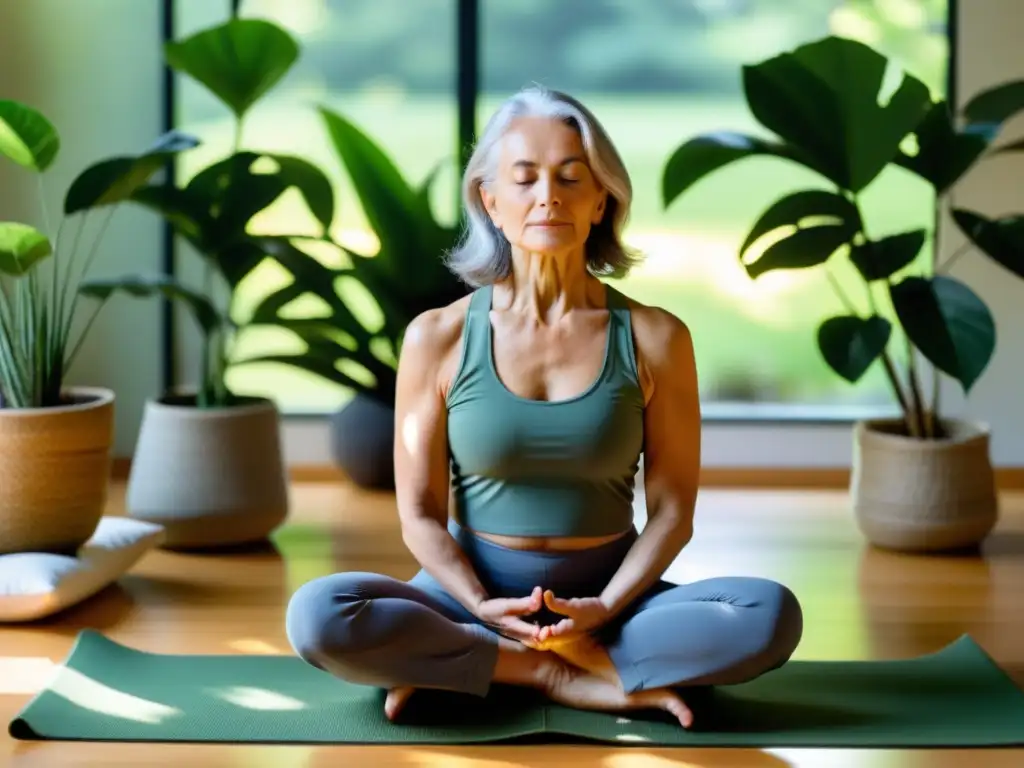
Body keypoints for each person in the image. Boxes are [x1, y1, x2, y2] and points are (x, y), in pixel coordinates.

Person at [285, 86, 803, 729]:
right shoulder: (437, 337)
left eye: (570, 177)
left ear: (601, 199)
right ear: (490, 202)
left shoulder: (656, 338)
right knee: (318, 615)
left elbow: (673, 512)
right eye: (524, 179)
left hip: (610, 603)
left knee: (768, 615)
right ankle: (552, 670)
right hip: (464, 599)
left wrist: (606, 607)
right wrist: (478, 603)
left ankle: (486, 665)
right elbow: (418, 514)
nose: (547, 196)